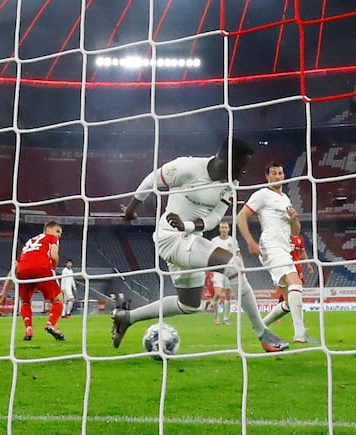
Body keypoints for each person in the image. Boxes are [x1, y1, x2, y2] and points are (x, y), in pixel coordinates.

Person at [111, 138, 288, 353]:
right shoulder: (187, 167)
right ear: (227, 159)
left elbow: (214, 218)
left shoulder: (231, 184)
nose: (244, 172)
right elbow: (152, 180)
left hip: (189, 237)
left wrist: (187, 225)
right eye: (242, 165)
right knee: (231, 265)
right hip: (170, 237)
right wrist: (130, 210)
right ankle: (263, 332)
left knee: (188, 305)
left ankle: (126, 317)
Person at [236, 161, 316, 344]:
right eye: (274, 173)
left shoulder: (285, 199)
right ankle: (300, 333)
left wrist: (294, 219)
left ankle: (261, 326)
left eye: (280, 173)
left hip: (284, 248)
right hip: (271, 247)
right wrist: (250, 242)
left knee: (289, 302)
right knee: (295, 282)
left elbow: (295, 232)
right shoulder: (263, 194)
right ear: (267, 176)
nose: (278, 176)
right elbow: (241, 217)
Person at [0, 221, 66, 341]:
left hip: (23, 270)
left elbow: (15, 267)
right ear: (48, 229)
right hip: (42, 267)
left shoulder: (29, 242)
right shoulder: (51, 238)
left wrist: (4, 292)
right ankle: (50, 324)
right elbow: (54, 256)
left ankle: (28, 329)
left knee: (26, 301)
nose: (59, 235)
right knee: (58, 300)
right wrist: (53, 267)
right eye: (58, 231)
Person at [263, 233, 314, 325]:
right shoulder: (283, 235)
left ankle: (298, 320)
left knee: (297, 293)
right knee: (288, 294)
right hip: (287, 267)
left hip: (298, 267)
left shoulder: (299, 237)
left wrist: (308, 264)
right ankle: (294, 320)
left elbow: (302, 251)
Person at [208, 222, 238, 325]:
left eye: (226, 227)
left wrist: (241, 267)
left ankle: (226, 318)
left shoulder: (232, 241)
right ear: (219, 229)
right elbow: (209, 255)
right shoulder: (214, 241)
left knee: (229, 295)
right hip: (218, 270)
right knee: (218, 293)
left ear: (229, 229)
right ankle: (216, 317)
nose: (224, 229)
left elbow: (237, 254)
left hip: (229, 270)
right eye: (222, 228)